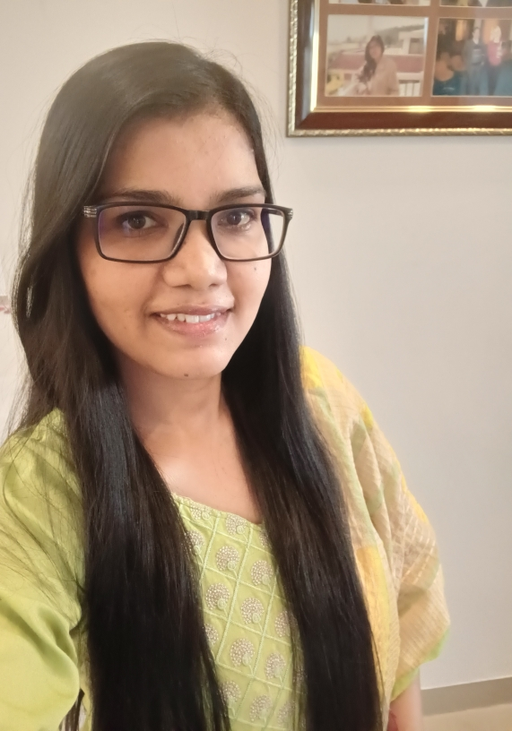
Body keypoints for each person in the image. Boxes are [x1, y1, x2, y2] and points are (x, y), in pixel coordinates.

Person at [0, 42, 449, 731]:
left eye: (236, 216)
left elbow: (406, 619)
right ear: (71, 247)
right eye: (138, 220)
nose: (203, 269)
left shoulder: (322, 401)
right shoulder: (36, 501)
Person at [463, 26, 488, 94]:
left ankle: (476, 95)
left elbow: (485, 52)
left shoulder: (481, 43)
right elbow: (463, 53)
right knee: (470, 82)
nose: (477, 34)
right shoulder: (468, 43)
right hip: (470, 66)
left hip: (478, 66)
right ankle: (468, 95)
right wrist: (466, 62)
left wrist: (483, 60)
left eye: (478, 33)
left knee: (477, 82)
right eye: (476, 32)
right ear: (473, 33)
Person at [486, 25, 503, 94]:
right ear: (494, 33)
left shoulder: (501, 42)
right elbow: (489, 53)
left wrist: (501, 52)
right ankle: (490, 94)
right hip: (491, 65)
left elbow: (503, 53)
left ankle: (493, 93)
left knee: (496, 81)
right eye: (496, 31)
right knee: (490, 81)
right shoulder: (491, 42)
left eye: (499, 31)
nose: (498, 33)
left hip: (498, 65)